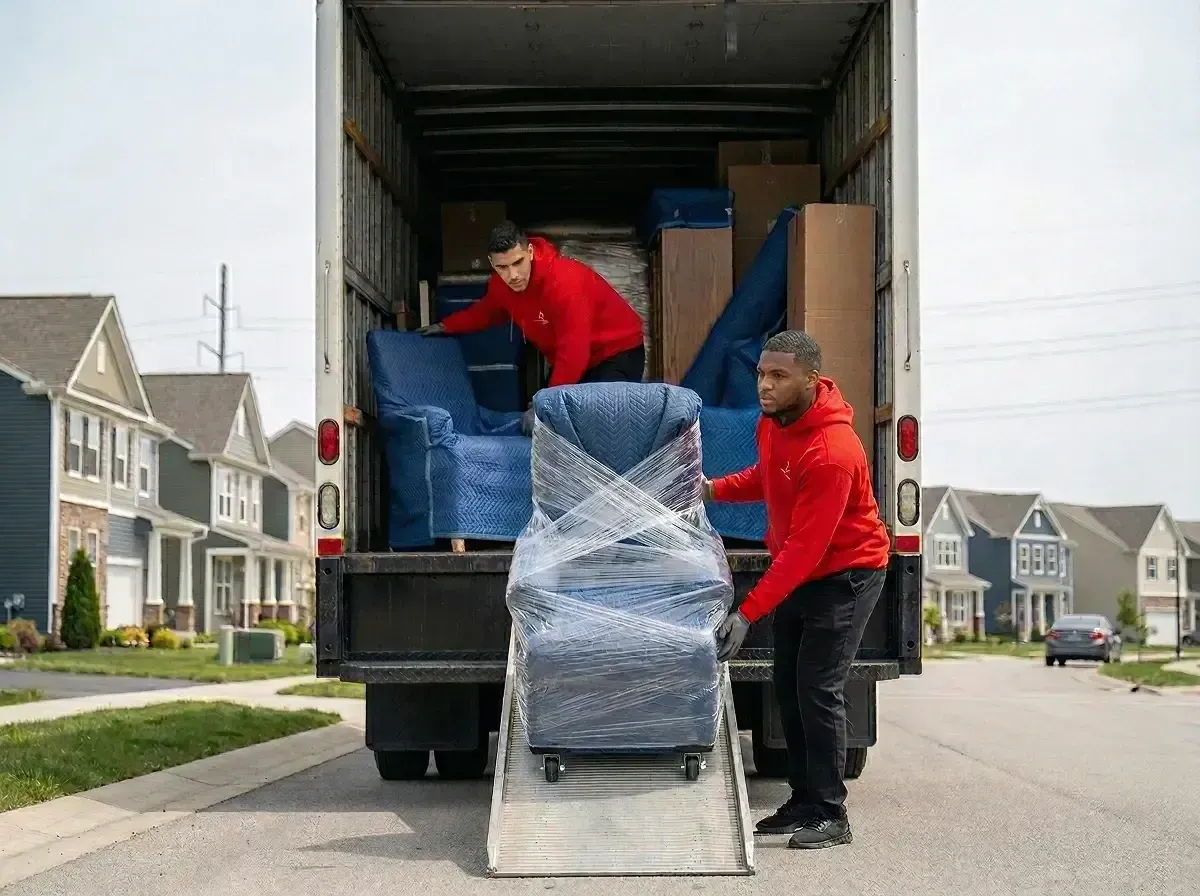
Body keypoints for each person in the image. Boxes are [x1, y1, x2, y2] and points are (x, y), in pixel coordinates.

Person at [703, 329, 890, 850]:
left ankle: (831, 812)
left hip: (845, 575)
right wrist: (712, 488)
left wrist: (747, 612)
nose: (764, 385)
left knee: (818, 688)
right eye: (761, 374)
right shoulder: (773, 423)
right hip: (804, 570)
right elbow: (769, 476)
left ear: (810, 380)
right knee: (788, 683)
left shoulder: (833, 451)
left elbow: (807, 549)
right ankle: (803, 799)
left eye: (778, 376)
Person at [418, 221, 646, 433]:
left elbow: (574, 353)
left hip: (617, 351)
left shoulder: (565, 282)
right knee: (551, 426)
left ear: (530, 252)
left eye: (518, 263)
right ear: (492, 264)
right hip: (577, 359)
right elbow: (486, 313)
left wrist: (543, 404)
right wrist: (445, 325)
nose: (513, 275)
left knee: (599, 425)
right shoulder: (501, 286)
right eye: (503, 267)